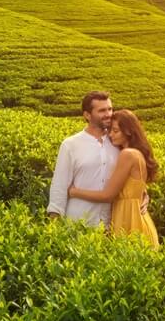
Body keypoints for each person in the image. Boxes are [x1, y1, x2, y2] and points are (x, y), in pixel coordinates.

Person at [68, 109, 160, 248]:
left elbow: (107, 195)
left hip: (130, 221)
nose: (111, 135)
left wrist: (74, 192)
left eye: (116, 131)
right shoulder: (135, 153)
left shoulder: (127, 154)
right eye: (110, 130)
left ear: (128, 132)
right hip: (135, 218)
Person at [47, 91, 120, 228]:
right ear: (87, 115)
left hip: (110, 226)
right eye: (102, 110)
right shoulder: (71, 145)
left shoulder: (117, 142)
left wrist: (143, 194)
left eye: (110, 109)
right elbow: (59, 185)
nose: (108, 114)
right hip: (78, 223)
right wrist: (54, 225)